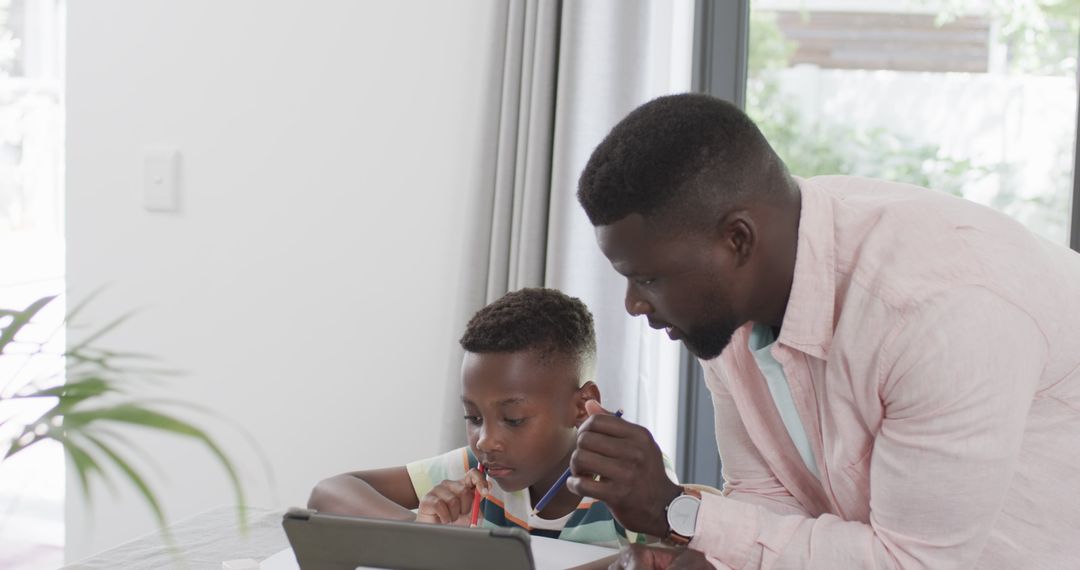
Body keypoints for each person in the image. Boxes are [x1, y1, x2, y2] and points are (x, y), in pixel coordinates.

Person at [566, 93, 1080, 568]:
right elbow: (769, 500)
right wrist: (699, 552)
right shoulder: (730, 304)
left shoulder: (937, 314)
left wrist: (677, 511)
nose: (634, 304)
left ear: (737, 240)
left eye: (649, 278)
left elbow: (911, 564)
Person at [307, 287, 674, 548]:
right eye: (473, 417)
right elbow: (329, 491)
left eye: (513, 419)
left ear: (582, 406)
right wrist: (417, 531)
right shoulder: (478, 472)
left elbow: (684, 555)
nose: (485, 440)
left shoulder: (630, 478)